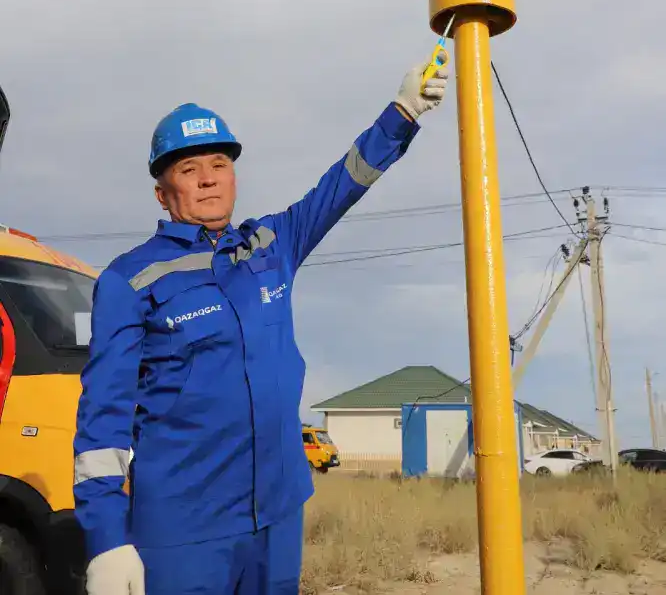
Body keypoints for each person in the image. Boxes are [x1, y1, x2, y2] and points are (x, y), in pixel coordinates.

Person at [73, 58, 448, 595]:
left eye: (219, 163)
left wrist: (403, 112)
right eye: (188, 169)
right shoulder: (128, 280)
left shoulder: (271, 245)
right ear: (162, 191)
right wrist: (107, 541)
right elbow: (102, 421)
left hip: (277, 516)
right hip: (182, 533)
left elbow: (343, 184)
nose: (208, 178)